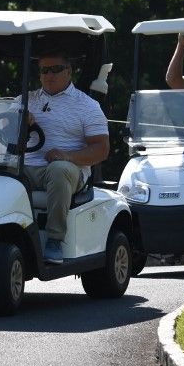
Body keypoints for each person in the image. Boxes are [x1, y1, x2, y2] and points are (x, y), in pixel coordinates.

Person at [16, 51, 110, 264]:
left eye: (56, 69)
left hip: (69, 171)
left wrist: (67, 156)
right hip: (25, 167)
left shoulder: (87, 106)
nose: (49, 75)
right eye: (44, 70)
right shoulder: (24, 100)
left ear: (68, 72)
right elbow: (0, 132)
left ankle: (55, 240)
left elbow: (101, 149)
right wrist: (18, 122)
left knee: (58, 169)